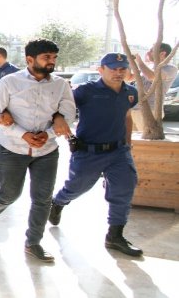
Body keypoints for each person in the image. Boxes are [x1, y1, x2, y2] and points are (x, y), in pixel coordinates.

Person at [0, 39, 75, 262]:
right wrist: (21, 133)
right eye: (47, 57)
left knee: (42, 199)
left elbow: (69, 114)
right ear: (29, 59)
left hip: (47, 151)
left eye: (54, 57)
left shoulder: (61, 85)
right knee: (10, 194)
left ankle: (33, 243)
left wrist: (49, 134)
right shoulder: (9, 82)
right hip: (12, 149)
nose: (51, 62)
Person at [49, 53, 143, 257]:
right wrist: (59, 121)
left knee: (124, 189)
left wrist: (128, 144)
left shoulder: (130, 92)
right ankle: (58, 202)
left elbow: (127, 117)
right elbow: (60, 108)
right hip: (89, 151)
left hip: (119, 151)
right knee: (77, 187)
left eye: (122, 69)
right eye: (113, 69)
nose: (118, 73)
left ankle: (114, 236)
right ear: (101, 70)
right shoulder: (86, 91)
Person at [129, 42, 177, 132]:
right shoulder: (147, 66)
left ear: (162, 53)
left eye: (151, 50)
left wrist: (139, 60)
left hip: (150, 110)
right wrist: (129, 62)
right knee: (132, 142)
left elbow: (152, 76)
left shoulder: (170, 68)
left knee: (148, 141)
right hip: (134, 109)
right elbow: (129, 78)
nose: (148, 53)